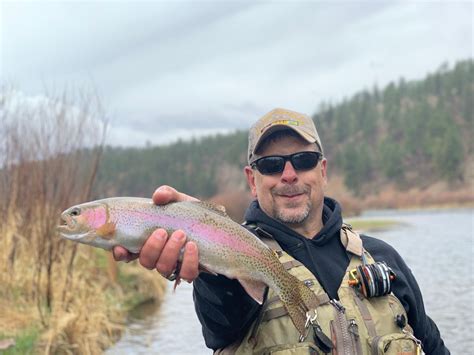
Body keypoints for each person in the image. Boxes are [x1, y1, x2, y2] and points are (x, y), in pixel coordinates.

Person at [113, 108, 449, 354]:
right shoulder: (232, 259)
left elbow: (433, 347)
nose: (289, 174)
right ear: (251, 179)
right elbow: (221, 323)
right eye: (271, 165)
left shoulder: (384, 258)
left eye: (302, 160)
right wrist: (203, 239)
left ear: (323, 170)